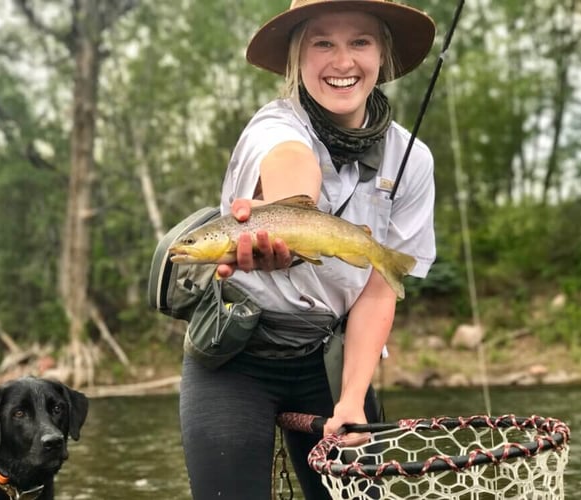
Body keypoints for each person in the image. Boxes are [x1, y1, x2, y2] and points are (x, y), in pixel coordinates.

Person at [179, 1, 437, 498]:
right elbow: (294, 166)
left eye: (360, 42)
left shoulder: (412, 160)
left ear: (383, 54)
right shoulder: (273, 127)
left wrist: (353, 400)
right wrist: (285, 235)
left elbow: (379, 291)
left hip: (329, 359)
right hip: (235, 357)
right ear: (298, 57)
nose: (343, 61)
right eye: (323, 43)